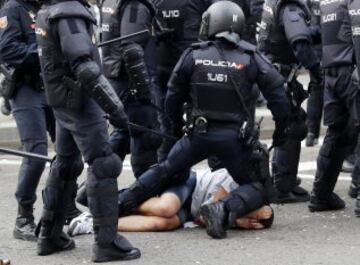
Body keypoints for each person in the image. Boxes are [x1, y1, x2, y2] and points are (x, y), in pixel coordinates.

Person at [117, 1, 290, 239]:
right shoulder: (250, 55)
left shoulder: (193, 54)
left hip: (197, 135)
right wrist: (281, 130)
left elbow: (172, 97)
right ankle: (222, 208)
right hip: (233, 141)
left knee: (165, 170)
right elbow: (278, 94)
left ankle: (116, 203)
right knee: (260, 188)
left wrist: (176, 128)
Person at [35, 0, 140, 262]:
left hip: (62, 101)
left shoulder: (50, 10)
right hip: (79, 103)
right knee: (103, 164)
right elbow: (85, 67)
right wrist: (116, 109)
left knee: (67, 164)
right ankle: (107, 243)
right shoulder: (69, 12)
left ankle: (49, 235)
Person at [0, 0, 59, 242]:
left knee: (67, 150)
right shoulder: (14, 8)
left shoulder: (45, 8)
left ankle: (61, 208)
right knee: (36, 152)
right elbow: (6, 49)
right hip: (25, 88)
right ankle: (23, 217)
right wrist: (43, 50)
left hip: (50, 86)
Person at [68, 168, 274, 235]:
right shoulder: (237, 182)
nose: (252, 215)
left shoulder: (241, 214)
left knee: (162, 223)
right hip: (190, 185)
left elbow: (203, 219)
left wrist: (237, 222)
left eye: (256, 219)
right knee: (165, 209)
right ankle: (104, 200)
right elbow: (206, 214)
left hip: (191, 211)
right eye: (256, 211)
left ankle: (93, 223)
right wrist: (235, 222)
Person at [258, 0, 322, 203]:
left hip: (271, 70)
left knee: (289, 122)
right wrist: (317, 70)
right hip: (278, 73)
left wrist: (319, 31)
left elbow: (288, 32)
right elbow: (300, 43)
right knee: (292, 125)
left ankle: (284, 180)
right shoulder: (290, 6)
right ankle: (283, 187)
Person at [101, 0, 161, 178]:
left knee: (124, 133)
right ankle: (144, 196)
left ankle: (94, 189)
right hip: (130, 82)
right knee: (146, 137)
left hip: (117, 78)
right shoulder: (135, 6)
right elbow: (131, 50)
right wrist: (143, 90)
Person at [308, 0, 358, 212]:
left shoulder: (327, 2)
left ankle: (321, 195)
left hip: (332, 73)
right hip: (351, 72)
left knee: (337, 133)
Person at [305, 0, 323, 147]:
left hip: (316, 50)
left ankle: (312, 132)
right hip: (328, 48)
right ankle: (311, 132)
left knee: (316, 91)